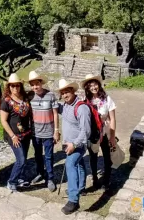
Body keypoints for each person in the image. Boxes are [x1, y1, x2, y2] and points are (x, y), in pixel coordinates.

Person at [58, 79, 91, 215]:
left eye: (67, 92)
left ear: (73, 91)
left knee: (70, 164)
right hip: (70, 143)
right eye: (63, 93)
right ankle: (80, 187)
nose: (65, 95)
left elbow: (86, 131)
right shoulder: (66, 106)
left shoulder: (82, 108)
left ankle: (73, 200)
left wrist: (74, 144)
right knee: (80, 164)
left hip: (79, 144)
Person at [81, 73, 116, 191]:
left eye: (95, 84)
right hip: (92, 134)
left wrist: (112, 136)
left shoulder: (107, 99)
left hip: (105, 132)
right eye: (90, 85)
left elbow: (112, 119)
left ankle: (106, 180)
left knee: (107, 157)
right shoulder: (85, 100)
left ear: (98, 85)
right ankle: (95, 178)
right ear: (87, 88)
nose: (93, 87)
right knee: (93, 157)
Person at [0, 73, 32, 192]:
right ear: (9, 87)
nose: (15, 88)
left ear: (20, 86)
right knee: (21, 159)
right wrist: (13, 136)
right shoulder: (6, 102)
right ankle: (11, 181)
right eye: (12, 86)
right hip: (14, 136)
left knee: (24, 158)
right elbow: (3, 120)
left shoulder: (25, 98)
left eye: (17, 85)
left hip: (26, 134)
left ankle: (20, 178)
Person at [28, 70, 59, 192]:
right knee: (37, 155)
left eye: (37, 84)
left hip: (48, 132)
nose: (35, 87)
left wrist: (56, 130)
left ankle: (50, 178)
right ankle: (40, 173)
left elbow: (55, 114)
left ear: (41, 83)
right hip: (35, 132)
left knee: (49, 156)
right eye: (33, 84)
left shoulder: (50, 95)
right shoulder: (30, 96)